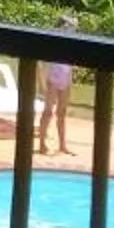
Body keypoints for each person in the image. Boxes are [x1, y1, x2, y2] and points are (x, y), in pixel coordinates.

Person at [36, 18, 78, 156]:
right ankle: (42, 144)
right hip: (53, 78)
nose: (70, 29)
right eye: (68, 26)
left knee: (62, 112)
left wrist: (71, 79)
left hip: (65, 79)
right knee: (48, 112)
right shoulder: (52, 41)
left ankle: (62, 145)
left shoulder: (71, 43)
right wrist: (42, 83)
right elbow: (41, 63)